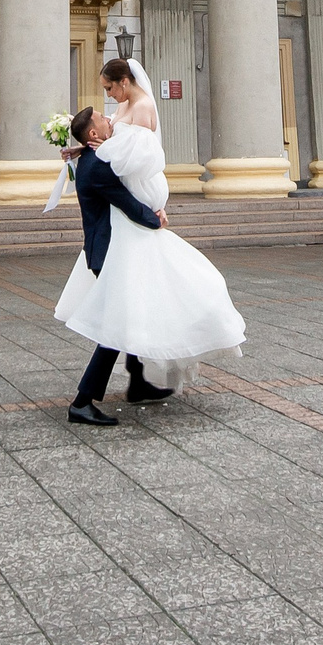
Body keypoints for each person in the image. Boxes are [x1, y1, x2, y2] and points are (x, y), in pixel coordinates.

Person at [56, 99, 246, 425]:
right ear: (93, 133)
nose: (109, 118)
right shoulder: (97, 166)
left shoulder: (91, 157)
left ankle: (138, 383)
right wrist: (155, 219)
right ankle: (82, 402)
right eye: (102, 118)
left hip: (111, 250)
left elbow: (118, 151)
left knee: (134, 314)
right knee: (116, 328)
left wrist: (82, 148)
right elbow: (127, 202)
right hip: (110, 253)